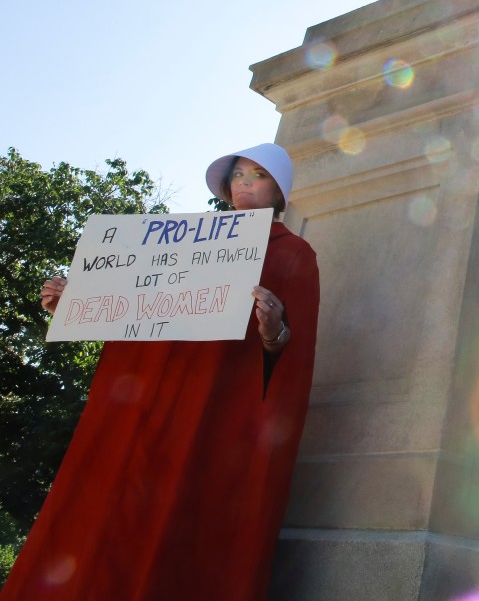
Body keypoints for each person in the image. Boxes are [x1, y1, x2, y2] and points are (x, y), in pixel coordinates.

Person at [2, 143, 320, 600]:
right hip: (147, 408)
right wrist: (76, 302)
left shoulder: (294, 254)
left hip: (213, 418)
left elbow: (291, 355)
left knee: (180, 529)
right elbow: (137, 314)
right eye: (238, 176)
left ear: (278, 191)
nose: (245, 184)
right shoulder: (178, 242)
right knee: (106, 516)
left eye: (258, 175)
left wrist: (274, 329)